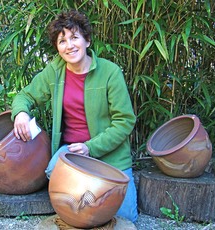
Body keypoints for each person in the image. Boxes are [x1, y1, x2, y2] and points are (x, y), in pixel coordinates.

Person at [11, 9, 138, 223]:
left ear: (87, 40)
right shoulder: (55, 71)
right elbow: (25, 95)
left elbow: (125, 121)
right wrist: (21, 113)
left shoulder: (110, 72)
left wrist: (91, 147)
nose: (69, 45)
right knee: (65, 191)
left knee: (124, 219)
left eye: (74, 37)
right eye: (62, 41)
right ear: (57, 48)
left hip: (111, 156)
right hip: (72, 152)